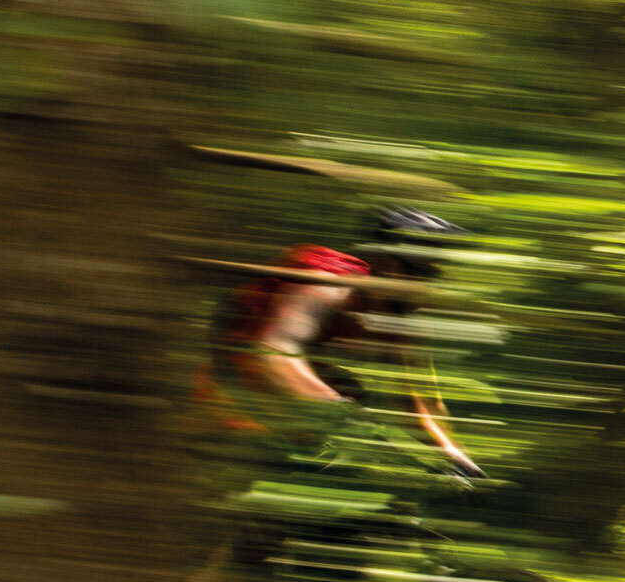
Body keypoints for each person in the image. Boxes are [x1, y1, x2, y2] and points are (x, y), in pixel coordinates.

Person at [192, 205, 485, 482]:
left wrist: (455, 457)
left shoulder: (398, 318)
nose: (432, 287)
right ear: (391, 266)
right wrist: (331, 404)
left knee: (351, 401)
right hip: (235, 383)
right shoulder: (326, 286)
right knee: (341, 407)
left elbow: (415, 403)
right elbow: (273, 351)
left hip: (288, 400)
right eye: (428, 274)